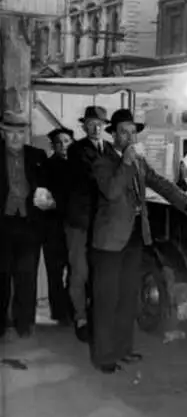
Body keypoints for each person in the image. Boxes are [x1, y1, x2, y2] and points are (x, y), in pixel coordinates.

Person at [90, 109, 187, 374]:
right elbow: (111, 192)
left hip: (134, 236)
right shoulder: (103, 162)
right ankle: (104, 355)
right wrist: (126, 163)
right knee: (107, 299)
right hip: (109, 242)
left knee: (128, 296)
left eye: (133, 132)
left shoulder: (139, 162)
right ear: (113, 135)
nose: (130, 136)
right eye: (124, 132)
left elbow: (160, 183)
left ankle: (123, 349)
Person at [0, 110, 56, 339]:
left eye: (20, 132)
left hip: (29, 225)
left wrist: (50, 202)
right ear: (2, 132)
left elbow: (51, 190)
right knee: (1, 276)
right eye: (11, 132)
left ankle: (24, 323)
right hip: (2, 225)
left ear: (26, 133)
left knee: (27, 276)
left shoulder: (37, 156)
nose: (16, 137)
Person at [66, 105, 109, 342]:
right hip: (79, 221)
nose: (95, 127)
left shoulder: (110, 149)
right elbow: (93, 177)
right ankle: (81, 317)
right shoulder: (76, 150)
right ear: (83, 126)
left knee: (98, 271)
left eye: (100, 123)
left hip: (101, 223)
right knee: (79, 272)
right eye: (91, 123)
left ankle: (95, 316)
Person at [43, 127, 75, 325]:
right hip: (52, 227)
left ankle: (71, 308)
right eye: (59, 142)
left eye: (67, 141)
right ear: (53, 146)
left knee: (74, 271)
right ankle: (58, 311)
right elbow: (45, 199)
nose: (63, 145)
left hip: (73, 226)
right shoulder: (47, 166)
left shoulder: (77, 165)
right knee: (54, 272)